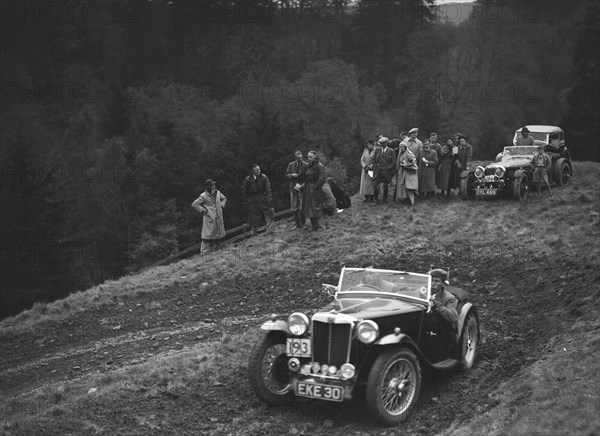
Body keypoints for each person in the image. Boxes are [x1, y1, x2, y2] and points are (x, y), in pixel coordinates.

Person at [191, 179, 227, 253]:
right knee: (207, 236)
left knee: (218, 233)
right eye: (212, 185)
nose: (214, 186)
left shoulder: (218, 192)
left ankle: (218, 249)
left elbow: (224, 198)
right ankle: (204, 252)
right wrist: (204, 210)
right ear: (208, 187)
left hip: (218, 217)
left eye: (214, 185)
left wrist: (221, 205)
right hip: (209, 218)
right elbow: (194, 204)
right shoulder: (203, 196)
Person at [242, 164, 275, 236]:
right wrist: (245, 201)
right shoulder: (248, 179)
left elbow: (268, 188)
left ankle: (270, 230)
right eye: (257, 170)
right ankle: (255, 233)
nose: (259, 171)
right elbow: (244, 191)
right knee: (253, 217)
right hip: (252, 199)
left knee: (270, 213)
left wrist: (269, 198)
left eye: (259, 169)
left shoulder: (264, 177)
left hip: (262, 197)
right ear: (252, 171)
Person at [301, 151, 327, 230]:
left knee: (316, 208)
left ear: (315, 157)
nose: (309, 158)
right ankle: (314, 226)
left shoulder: (320, 166)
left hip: (315, 189)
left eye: (310, 157)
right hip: (308, 189)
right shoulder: (310, 166)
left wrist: (314, 187)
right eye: (308, 157)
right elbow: (307, 177)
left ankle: (321, 226)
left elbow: (322, 179)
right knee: (309, 208)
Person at [285, 151, 309, 228]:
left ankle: (303, 223)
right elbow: (286, 175)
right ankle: (297, 224)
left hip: (302, 188)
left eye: (301, 157)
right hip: (293, 188)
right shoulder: (290, 165)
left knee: (302, 206)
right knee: (294, 206)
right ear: (295, 158)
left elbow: (308, 178)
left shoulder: (306, 165)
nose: (300, 159)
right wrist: (292, 175)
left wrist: (303, 185)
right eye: (298, 158)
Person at [372, 137, 396, 204]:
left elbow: (394, 162)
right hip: (378, 171)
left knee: (385, 186)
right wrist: (375, 168)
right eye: (381, 144)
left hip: (386, 172)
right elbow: (374, 160)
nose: (382, 145)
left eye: (383, 143)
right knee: (376, 185)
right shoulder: (377, 150)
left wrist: (388, 168)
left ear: (386, 143)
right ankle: (376, 200)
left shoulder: (391, 151)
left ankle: (384, 200)